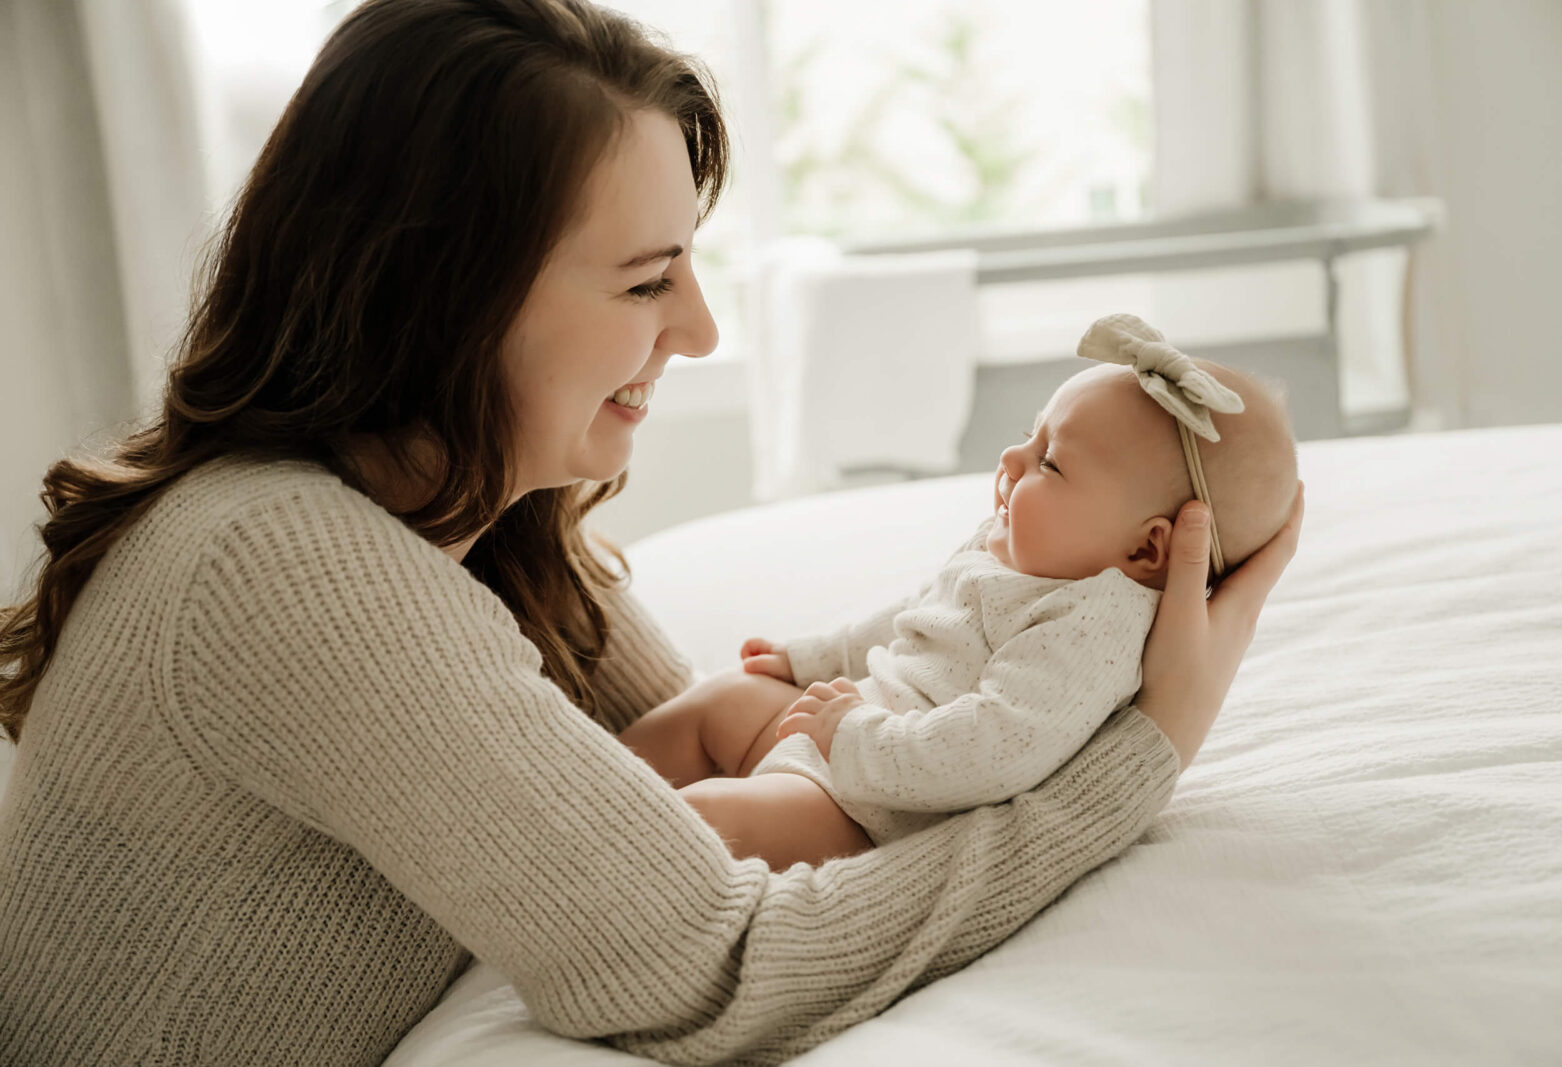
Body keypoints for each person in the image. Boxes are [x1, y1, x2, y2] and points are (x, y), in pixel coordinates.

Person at [0, 1, 1304, 1065]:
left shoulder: (488, 529)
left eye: (688, 264)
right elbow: (729, 965)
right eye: (645, 279)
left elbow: (695, 786)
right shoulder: (285, 564)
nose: (699, 330)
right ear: (444, 295)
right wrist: (1140, 753)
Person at [620, 316, 1300, 868]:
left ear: (1147, 548)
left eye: (1051, 461)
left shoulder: (1094, 624)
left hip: (871, 805)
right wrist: (815, 657)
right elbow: (916, 614)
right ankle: (580, 788)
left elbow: (995, 746)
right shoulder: (1012, 546)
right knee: (719, 700)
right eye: (1031, 436)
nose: (1012, 460)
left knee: (711, 815)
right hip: (844, 729)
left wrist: (856, 737)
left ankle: (599, 845)